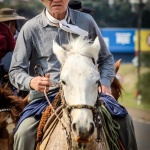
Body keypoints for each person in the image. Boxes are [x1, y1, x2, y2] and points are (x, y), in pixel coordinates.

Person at [9, 0, 137, 150]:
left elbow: (107, 59)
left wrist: (104, 83)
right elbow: (15, 70)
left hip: (87, 93)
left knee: (125, 120)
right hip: (46, 97)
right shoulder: (30, 29)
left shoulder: (86, 21)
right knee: (23, 133)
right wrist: (32, 82)